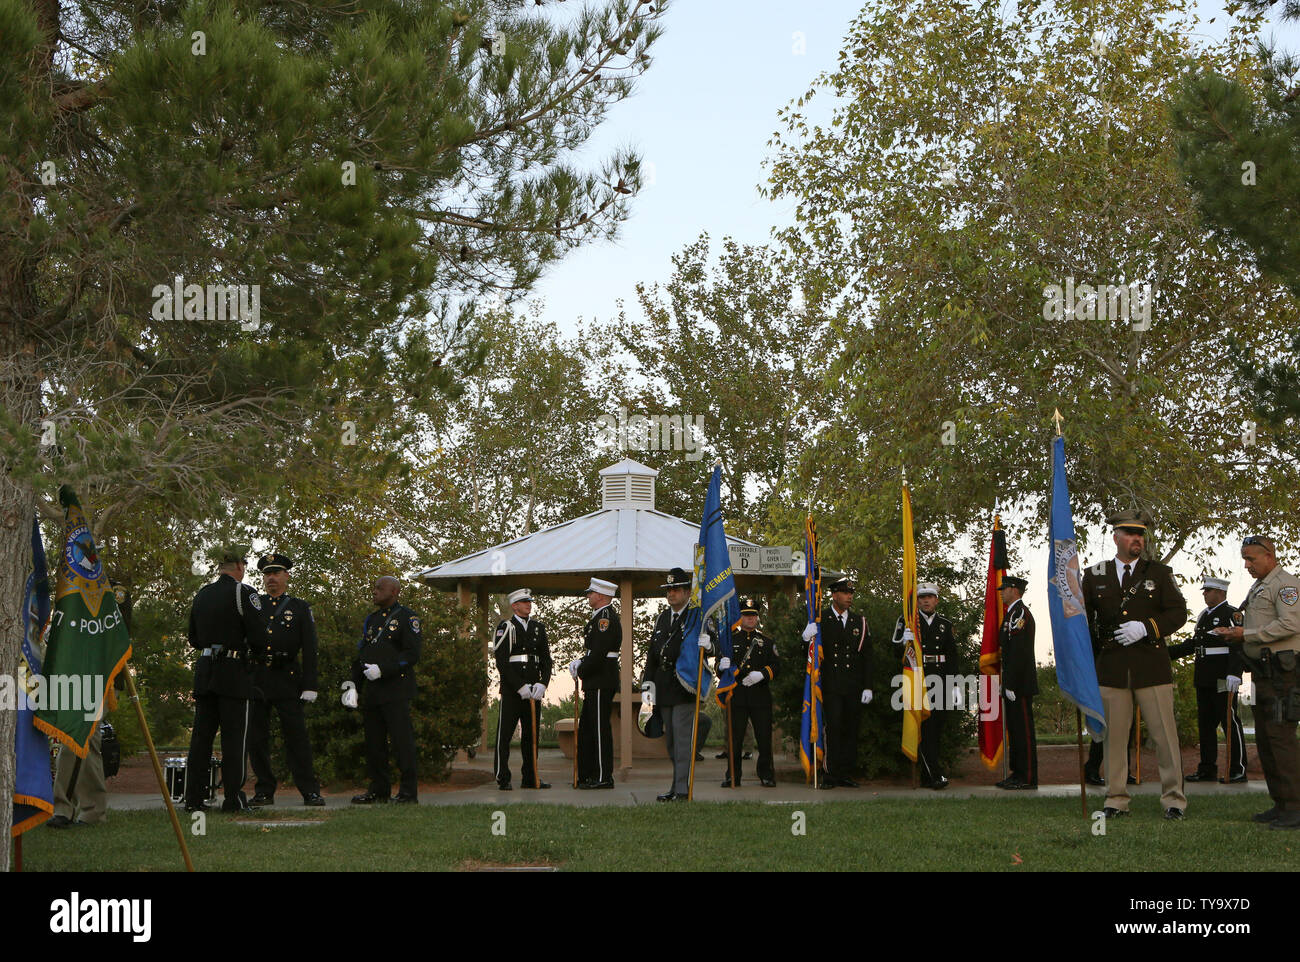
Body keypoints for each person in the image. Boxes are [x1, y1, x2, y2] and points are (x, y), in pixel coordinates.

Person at [1082, 509, 1188, 820]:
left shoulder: (1158, 573)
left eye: (1141, 534)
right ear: (1115, 537)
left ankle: (1174, 800)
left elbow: (1178, 613)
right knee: (1113, 738)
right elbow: (1083, 621)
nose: (1137, 539)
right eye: (1130, 533)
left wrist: (1147, 627)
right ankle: (1116, 799)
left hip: (1151, 667)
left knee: (1165, 737)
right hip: (1112, 669)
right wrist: (1085, 662)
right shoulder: (1094, 575)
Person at [1212, 535, 1300, 828]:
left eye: (1251, 559)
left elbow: (1290, 624)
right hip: (1264, 675)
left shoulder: (1285, 585)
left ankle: (1295, 807)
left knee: (1281, 740)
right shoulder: (1259, 586)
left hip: (1282, 677)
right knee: (1265, 740)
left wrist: (1245, 635)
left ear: (1269, 556)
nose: (1247, 565)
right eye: (1244, 559)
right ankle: (1281, 803)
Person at [184, 547, 269, 813]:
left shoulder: (202, 594)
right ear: (240, 567)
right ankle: (234, 798)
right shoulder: (243, 593)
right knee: (235, 739)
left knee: (201, 738)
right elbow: (258, 636)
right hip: (233, 671)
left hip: (206, 669)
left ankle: (194, 799)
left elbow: (193, 638)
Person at [48, 582, 131, 828]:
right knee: (87, 740)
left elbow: (118, 634)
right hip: (75, 676)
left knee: (78, 734)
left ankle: (64, 808)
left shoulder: (115, 591)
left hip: (102, 677)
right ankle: (92, 811)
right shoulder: (70, 589)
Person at [246, 554, 324, 807]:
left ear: (286, 576)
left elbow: (310, 648)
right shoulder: (254, 605)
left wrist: (310, 684)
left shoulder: (299, 607)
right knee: (257, 739)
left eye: (276, 573)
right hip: (258, 678)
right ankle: (264, 790)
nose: (271, 578)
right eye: (267, 574)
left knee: (297, 738)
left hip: (288, 678)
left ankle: (309, 790)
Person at [344, 575, 422, 804]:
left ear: (394, 591)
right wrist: (353, 686)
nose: (374, 591)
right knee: (374, 744)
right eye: (374, 587)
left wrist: (384, 669)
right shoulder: (372, 619)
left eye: (380, 588)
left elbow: (411, 654)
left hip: (396, 690)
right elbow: (362, 654)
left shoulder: (408, 618)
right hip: (374, 691)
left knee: (402, 743)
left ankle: (408, 793)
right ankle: (378, 790)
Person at [641, 568, 713, 801]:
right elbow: (653, 654)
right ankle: (675, 786)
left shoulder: (698, 617)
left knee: (683, 742)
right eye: (668, 590)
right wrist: (647, 686)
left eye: (676, 589)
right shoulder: (663, 618)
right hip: (663, 686)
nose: (671, 594)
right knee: (671, 742)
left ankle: (682, 790)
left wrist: (709, 646)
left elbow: (718, 647)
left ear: (687, 592)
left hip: (684, 686)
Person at [1166, 576, 1246, 784]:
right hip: (1203, 677)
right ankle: (1207, 768)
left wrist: (1234, 673)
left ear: (1220, 592)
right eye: (1205, 590)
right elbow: (1194, 644)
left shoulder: (1231, 614)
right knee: (1205, 724)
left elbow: (1238, 645)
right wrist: (1164, 653)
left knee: (1229, 722)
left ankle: (1238, 768)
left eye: (1208, 590)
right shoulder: (1204, 616)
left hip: (1223, 677)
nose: (1204, 594)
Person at [804, 577, 871, 788]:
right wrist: (806, 639)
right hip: (831, 685)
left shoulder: (858, 621)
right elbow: (808, 656)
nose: (849, 596)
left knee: (850, 730)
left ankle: (844, 773)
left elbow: (867, 656)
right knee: (832, 729)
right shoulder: (821, 620)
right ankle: (830, 774)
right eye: (844, 593)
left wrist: (868, 685)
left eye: (851, 593)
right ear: (834, 595)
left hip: (853, 686)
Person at [894, 583, 956, 789]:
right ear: (917, 601)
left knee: (935, 728)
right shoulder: (908, 621)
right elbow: (893, 648)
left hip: (940, 678)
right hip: (918, 678)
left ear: (937, 599)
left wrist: (954, 684)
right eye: (922, 598)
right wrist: (904, 642)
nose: (926, 601)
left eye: (930, 597)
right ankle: (933, 775)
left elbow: (952, 657)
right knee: (921, 726)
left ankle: (929, 774)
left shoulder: (945, 624)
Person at [492, 588, 552, 790]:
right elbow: (502, 661)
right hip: (512, 691)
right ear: (514, 606)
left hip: (534, 690)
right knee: (505, 735)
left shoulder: (538, 628)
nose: (529, 605)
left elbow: (546, 660)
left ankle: (531, 777)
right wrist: (519, 686)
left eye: (530, 602)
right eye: (524, 602)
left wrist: (543, 683)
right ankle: (503, 777)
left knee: (531, 736)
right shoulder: (506, 627)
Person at [718, 596, 779, 788]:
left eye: (753, 616)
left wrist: (762, 674)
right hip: (737, 695)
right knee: (735, 740)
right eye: (746, 615)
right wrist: (721, 666)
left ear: (757, 617)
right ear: (740, 617)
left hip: (760, 695)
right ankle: (733, 776)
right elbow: (720, 672)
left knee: (763, 738)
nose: (750, 619)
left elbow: (777, 665)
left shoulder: (766, 641)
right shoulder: (730, 641)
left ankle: (766, 775)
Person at [572, 577, 620, 789]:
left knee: (599, 730)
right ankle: (589, 773)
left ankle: (603, 776)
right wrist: (581, 662)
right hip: (595, 679)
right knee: (589, 729)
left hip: (601, 679)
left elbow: (600, 653)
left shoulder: (605, 619)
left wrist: (581, 668)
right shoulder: (598, 617)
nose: (588, 596)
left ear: (601, 596)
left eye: (591, 593)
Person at [997, 575, 1038, 790]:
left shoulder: (1020, 613)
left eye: (1004, 589)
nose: (1001, 592)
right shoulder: (1011, 613)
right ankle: (1017, 773)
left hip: (1020, 682)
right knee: (1014, 730)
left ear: (1015, 590)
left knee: (1023, 731)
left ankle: (1028, 776)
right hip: (1012, 681)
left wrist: (1011, 682)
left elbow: (1020, 651)